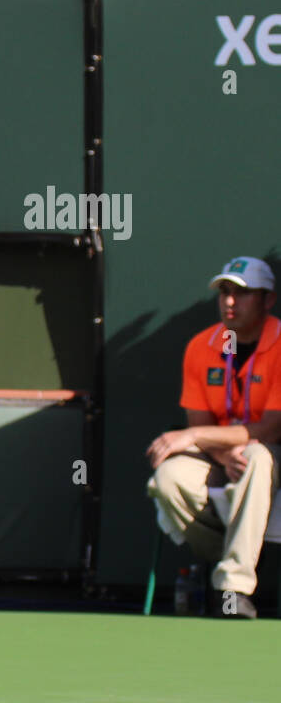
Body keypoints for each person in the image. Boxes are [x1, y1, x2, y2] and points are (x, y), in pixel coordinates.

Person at [147, 258, 281, 619]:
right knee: (168, 476)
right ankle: (239, 551)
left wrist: (193, 436)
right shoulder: (200, 347)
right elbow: (201, 421)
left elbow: (270, 429)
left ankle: (233, 589)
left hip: (272, 453)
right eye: (224, 292)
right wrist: (221, 455)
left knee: (257, 458)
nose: (230, 302)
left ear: (268, 300)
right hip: (222, 457)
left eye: (242, 293)